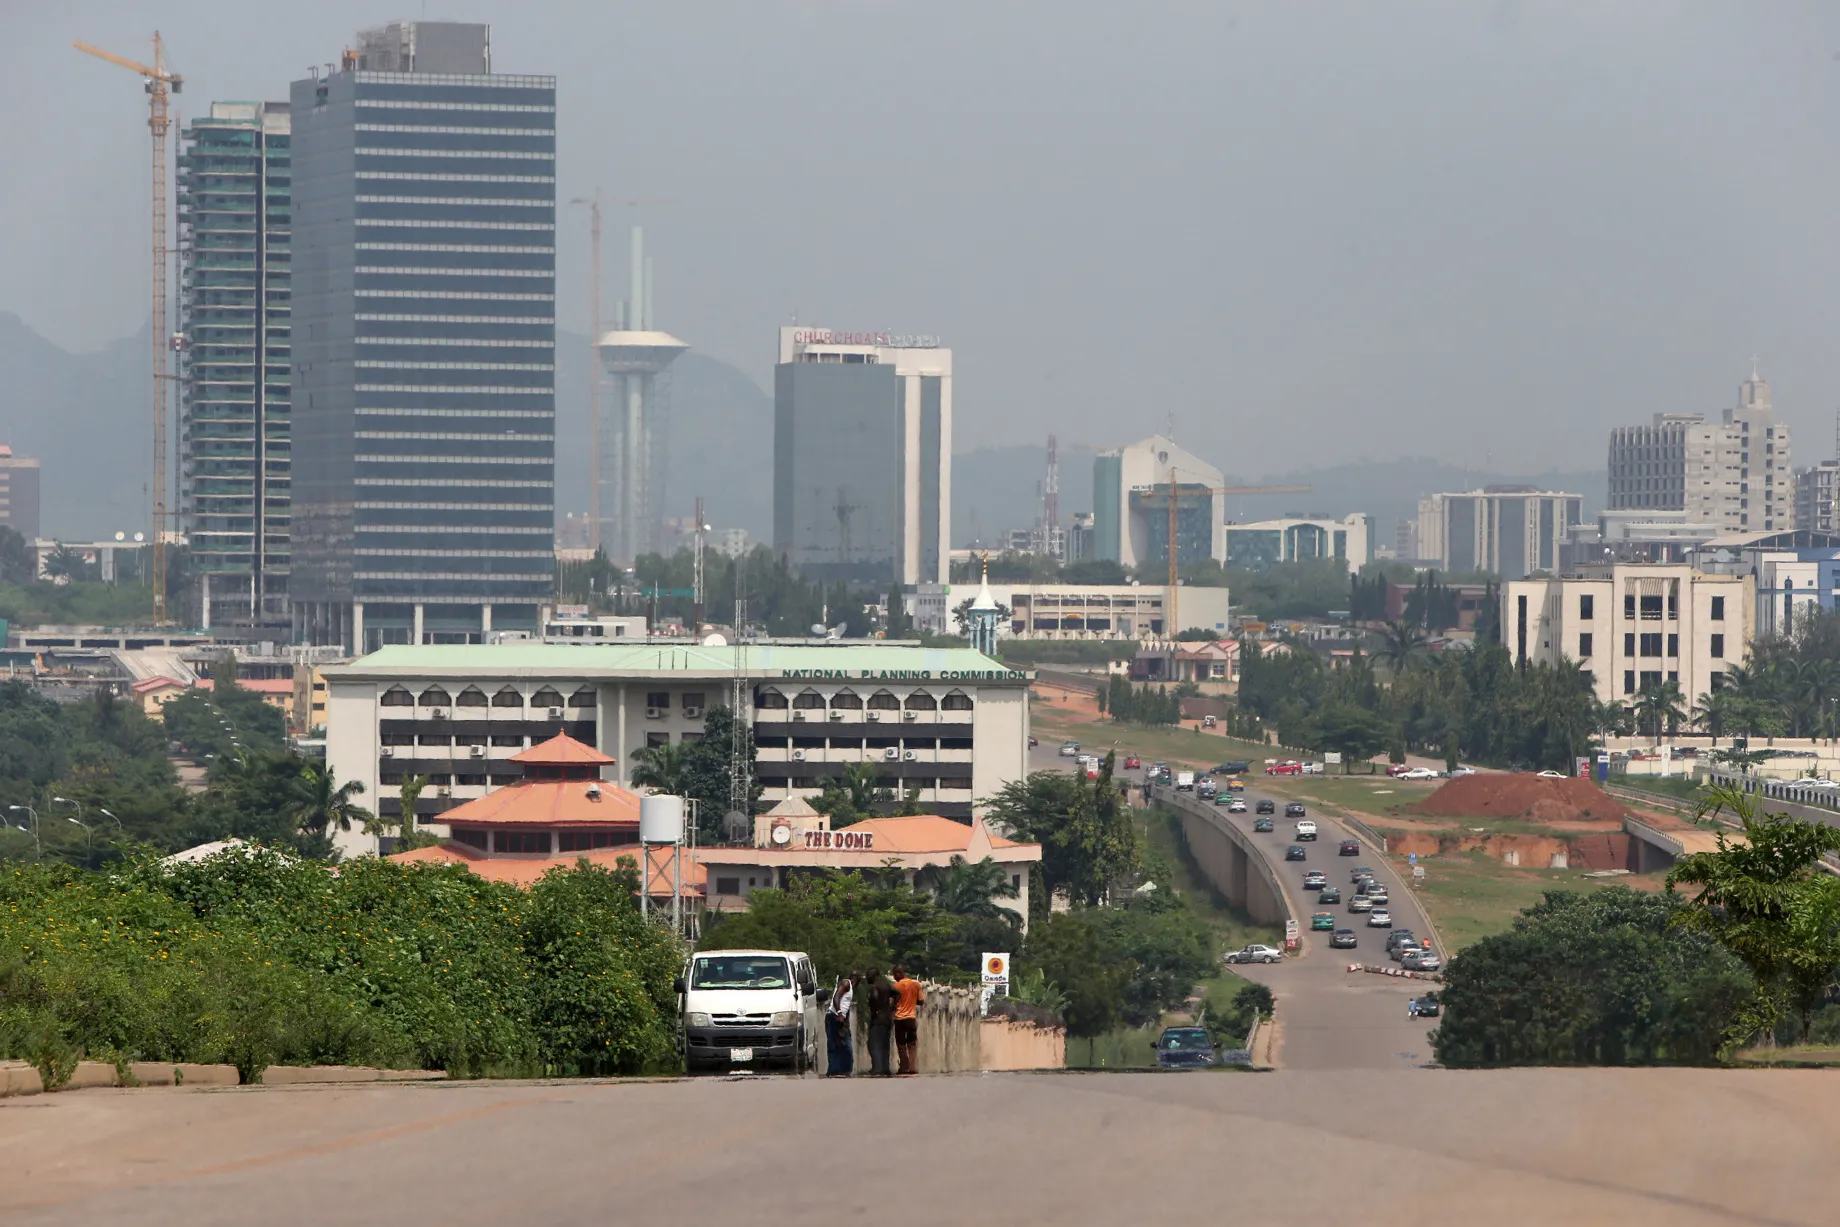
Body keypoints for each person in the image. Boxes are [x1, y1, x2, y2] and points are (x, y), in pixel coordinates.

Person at [892, 965, 925, 1076]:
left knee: (901, 1044)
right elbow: (921, 1001)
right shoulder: (916, 984)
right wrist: (911, 1000)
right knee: (912, 1044)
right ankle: (912, 1067)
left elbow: (892, 1003)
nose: (894, 976)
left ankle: (903, 1068)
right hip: (911, 1018)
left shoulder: (895, 986)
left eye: (894, 974)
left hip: (899, 1018)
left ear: (898, 973)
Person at [864, 969, 896, 1076]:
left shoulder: (875, 987)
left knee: (874, 1044)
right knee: (884, 1045)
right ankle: (885, 1068)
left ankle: (877, 1069)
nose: (867, 978)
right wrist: (891, 1007)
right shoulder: (886, 985)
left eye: (869, 976)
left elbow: (874, 997)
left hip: (878, 1019)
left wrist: (874, 1011)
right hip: (887, 1018)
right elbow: (897, 994)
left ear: (875, 976)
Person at [825, 974, 855, 1076]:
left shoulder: (849, 988)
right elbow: (836, 997)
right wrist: (839, 1013)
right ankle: (835, 1071)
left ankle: (843, 1070)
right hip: (834, 1017)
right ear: (855, 979)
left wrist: (845, 1021)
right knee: (836, 1044)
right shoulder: (846, 983)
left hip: (841, 1019)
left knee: (842, 1045)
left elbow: (845, 1006)